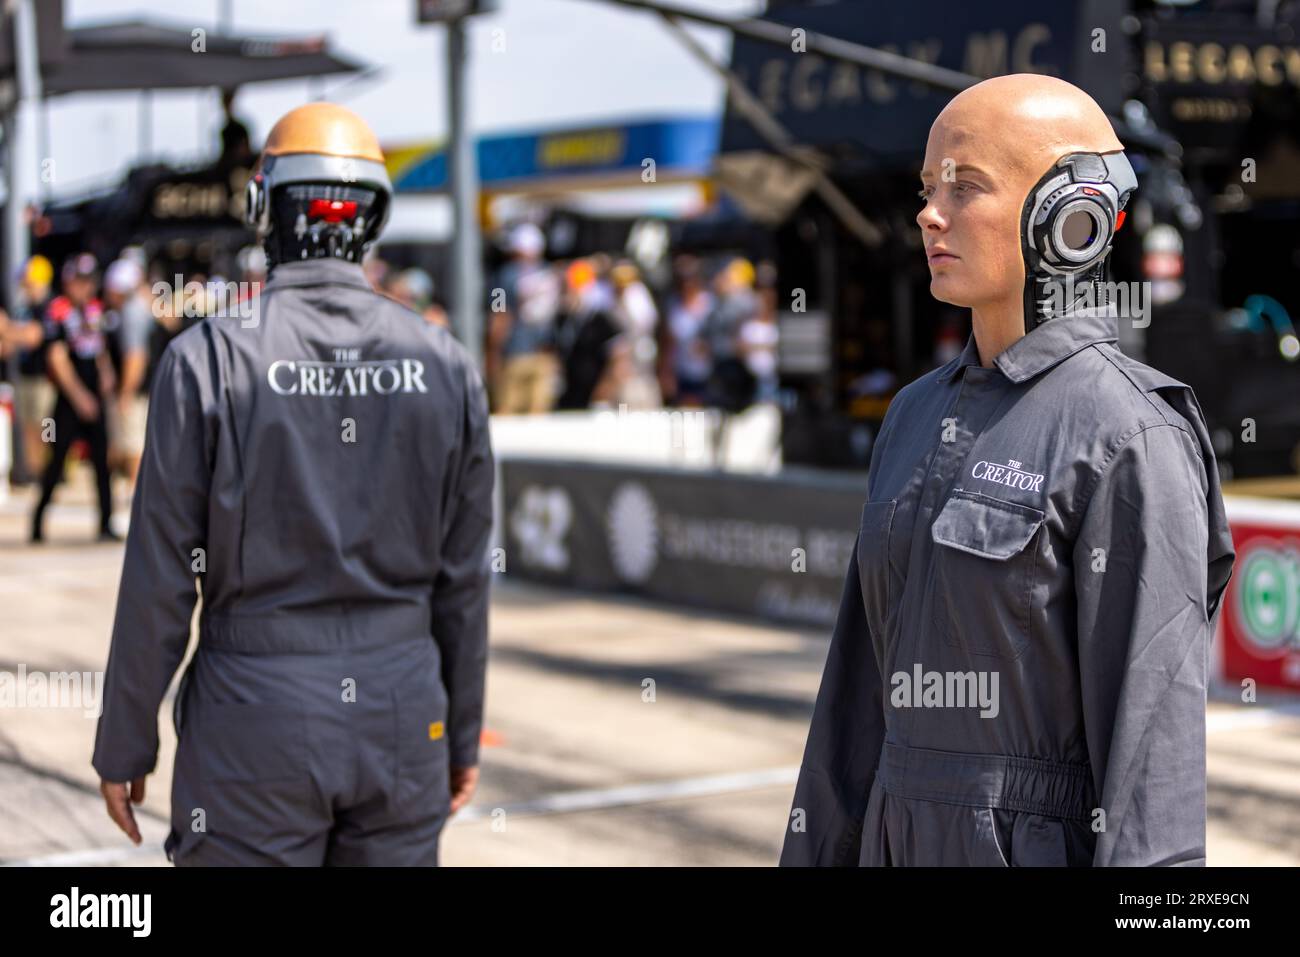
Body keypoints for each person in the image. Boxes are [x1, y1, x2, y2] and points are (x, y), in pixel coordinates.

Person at [780, 74, 1235, 867]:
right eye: (927, 187)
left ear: (1070, 216)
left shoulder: (1131, 434)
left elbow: (1152, 777)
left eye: (965, 186)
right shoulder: (912, 416)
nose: (928, 212)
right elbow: (853, 709)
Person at [92, 102, 495, 867]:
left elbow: (160, 577)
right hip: (404, 713)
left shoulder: (207, 358)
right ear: (373, 217)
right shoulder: (446, 363)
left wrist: (125, 738)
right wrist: (461, 731)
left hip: (255, 723)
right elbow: (465, 579)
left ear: (260, 206)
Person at [30, 253, 118, 543]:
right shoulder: (58, 311)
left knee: (102, 462)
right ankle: (38, 521)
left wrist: (106, 376)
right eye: (79, 281)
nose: (85, 287)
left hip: (93, 393)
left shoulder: (95, 310)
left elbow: (99, 347)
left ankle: (106, 522)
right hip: (69, 399)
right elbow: (57, 360)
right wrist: (81, 398)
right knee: (56, 461)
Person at [488, 223, 561, 414]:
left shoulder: (504, 276)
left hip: (515, 353)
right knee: (539, 416)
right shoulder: (550, 273)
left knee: (508, 414)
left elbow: (499, 312)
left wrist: (493, 350)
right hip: (545, 352)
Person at [101, 258, 154, 487]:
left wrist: (126, 392)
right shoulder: (138, 308)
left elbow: (136, 357)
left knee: (133, 445)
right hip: (140, 389)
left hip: (136, 391)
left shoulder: (133, 312)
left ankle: (134, 493)